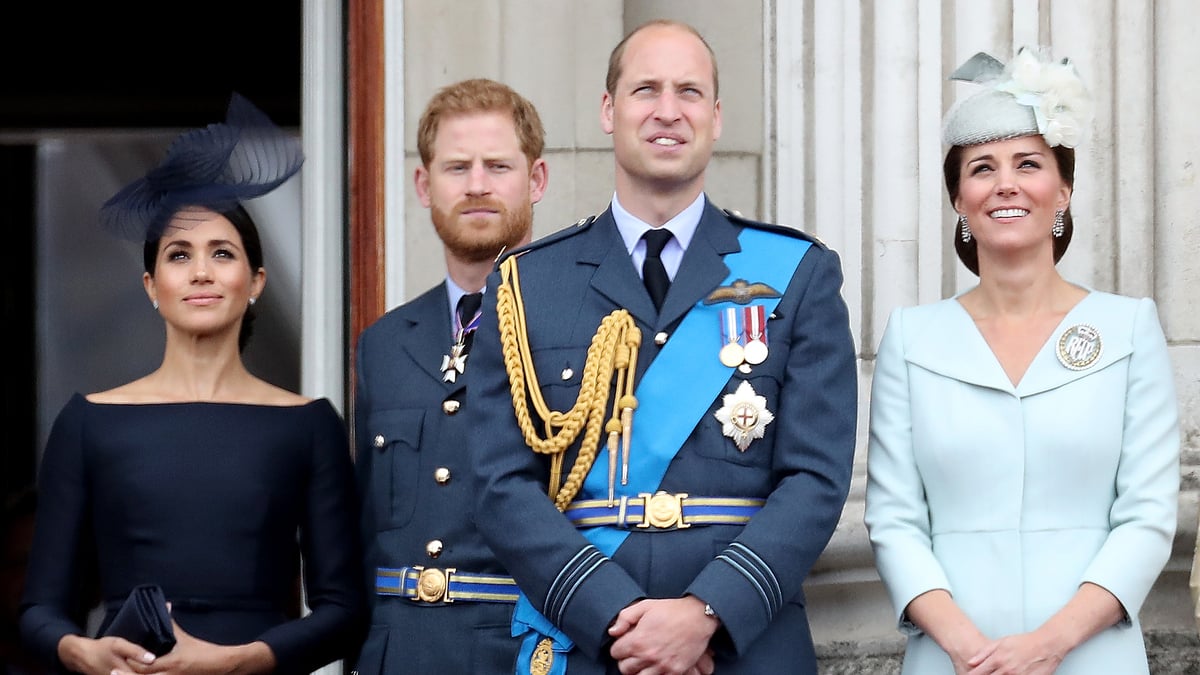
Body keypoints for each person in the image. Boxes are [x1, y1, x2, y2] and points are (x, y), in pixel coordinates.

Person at [465, 19, 857, 675]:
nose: (668, 111)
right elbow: (500, 485)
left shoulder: (798, 272)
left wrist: (707, 613)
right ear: (609, 110)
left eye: (689, 92)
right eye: (646, 90)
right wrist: (615, 615)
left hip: (742, 643)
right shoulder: (527, 283)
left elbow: (816, 479)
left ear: (717, 115)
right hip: (593, 641)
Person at [18, 93, 366, 675]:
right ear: (152, 285)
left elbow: (345, 608)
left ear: (255, 281)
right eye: (180, 255)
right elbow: (39, 610)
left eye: (221, 253)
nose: (201, 272)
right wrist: (85, 650)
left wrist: (240, 661)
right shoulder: (90, 421)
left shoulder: (309, 425)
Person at [864, 47, 1180, 674]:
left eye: (1028, 164)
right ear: (959, 198)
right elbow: (894, 519)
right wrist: (969, 651)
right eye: (982, 168)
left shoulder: (1127, 328)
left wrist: (1047, 646)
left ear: (1062, 190)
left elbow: (1147, 517)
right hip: (954, 659)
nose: (1005, 183)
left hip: (1093, 654)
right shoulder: (912, 338)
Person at [351, 78, 548, 673]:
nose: (478, 185)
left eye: (498, 165)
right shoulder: (383, 345)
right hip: (400, 652)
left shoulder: (586, 329)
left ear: (536, 180)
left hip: (524, 652)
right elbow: (365, 532)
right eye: (457, 167)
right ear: (423, 184)